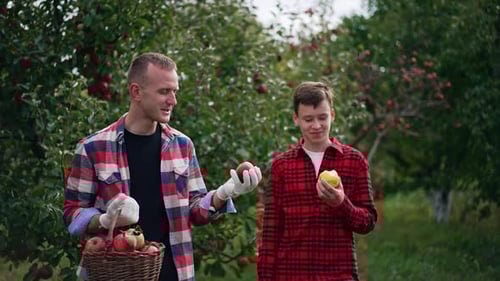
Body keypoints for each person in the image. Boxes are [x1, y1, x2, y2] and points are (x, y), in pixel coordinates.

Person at [63, 52, 262, 281]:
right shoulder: (92, 148)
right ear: (136, 92)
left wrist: (225, 193)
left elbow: (195, 211)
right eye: (164, 91)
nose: (173, 101)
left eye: (174, 91)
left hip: (174, 272)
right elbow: (72, 213)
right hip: (114, 273)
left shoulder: (182, 145)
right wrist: (104, 220)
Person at [257, 81, 377, 281]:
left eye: (322, 117)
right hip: (291, 275)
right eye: (308, 119)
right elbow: (270, 233)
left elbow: (368, 222)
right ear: (296, 119)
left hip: (337, 274)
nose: (316, 126)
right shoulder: (281, 166)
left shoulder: (353, 161)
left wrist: (341, 203)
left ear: (333, 114)